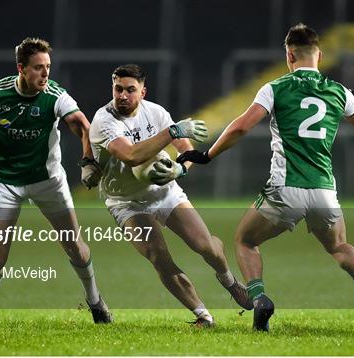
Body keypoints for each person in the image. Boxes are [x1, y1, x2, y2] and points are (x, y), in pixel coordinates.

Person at [178, 24, 354, 332]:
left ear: (289, 55)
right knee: (340, 245)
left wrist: (207, 155)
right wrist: (352, 101)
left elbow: (241, 127)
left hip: (285, 190)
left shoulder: (276, 87)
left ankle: (260, 299)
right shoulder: (338, 90)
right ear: (320, 55)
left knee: (245, 240)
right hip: (324, 191)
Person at [0, 37, 112, 327]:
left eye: (48, 67)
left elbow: (82, 126)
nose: (45, 74)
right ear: (21, 68)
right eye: (38, 68)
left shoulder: (55, 95)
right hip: (4, 182)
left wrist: (88, 162)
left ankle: (96, 301)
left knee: (74, 244)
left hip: (47, 180)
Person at [89, 64, 253, 327]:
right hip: (127, 202)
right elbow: (131, 156)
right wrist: (172, 132)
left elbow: (185, 148)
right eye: (118, 88)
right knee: (158, 256)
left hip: (165, 192)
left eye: (130, 90)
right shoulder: (103, 120)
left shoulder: (155, 113)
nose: (122, 95)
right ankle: (203, 316)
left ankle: (229, 281)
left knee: (205, 246)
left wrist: (180, 169)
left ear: (143, 92)